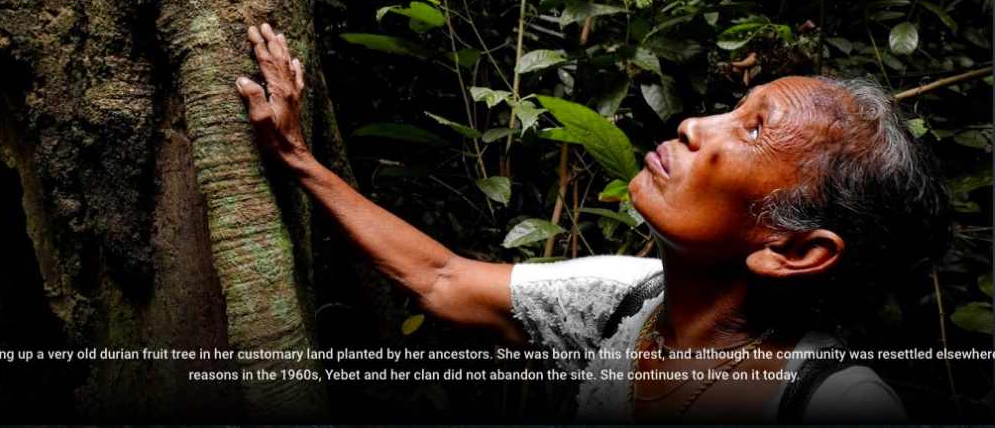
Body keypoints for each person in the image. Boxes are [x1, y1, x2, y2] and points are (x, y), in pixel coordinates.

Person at [234, 23, 948, 423]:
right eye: (735, 106)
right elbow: (443, 277)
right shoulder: (625, 300)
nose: (695, 124)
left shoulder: (837, 405)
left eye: (753, 130)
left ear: (793, 247)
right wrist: (296, 159)